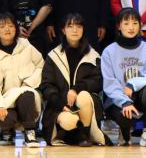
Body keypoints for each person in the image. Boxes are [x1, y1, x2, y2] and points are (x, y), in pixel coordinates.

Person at [101, 7, 146, 147]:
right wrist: (125, 102)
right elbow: (109, 83)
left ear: (140, 25)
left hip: (140, 97)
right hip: (117, 99)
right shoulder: (109, 52)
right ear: (119, 26)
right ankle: (124, 131)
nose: (131, 27)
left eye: (135, 23)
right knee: (125, 117)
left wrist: (132, 85)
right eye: (126, 23)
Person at [41, 14, 106, 146]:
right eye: (70, 26)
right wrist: (61, 104)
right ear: (63, 30)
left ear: (83, 29)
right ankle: (65, 134)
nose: (75, 30)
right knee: (69, 121)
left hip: (85, 106)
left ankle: (84, 135)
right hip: (59, 106)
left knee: (83, 95)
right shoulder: (53, 56)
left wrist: (76, 89)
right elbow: (47, 85)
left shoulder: (93, 55)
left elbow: (98, 81)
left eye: (78, 26)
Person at [0, 13, 44, 147]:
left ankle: (30, 133)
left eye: (10, 25)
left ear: (16, 28)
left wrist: (29, 83)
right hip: (4, 102)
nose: (7, 29)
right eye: (2, 26)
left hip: (26, 100)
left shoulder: (27, 48)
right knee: (6, 119)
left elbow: (41, 66)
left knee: (27, 94)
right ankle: (6, 130)